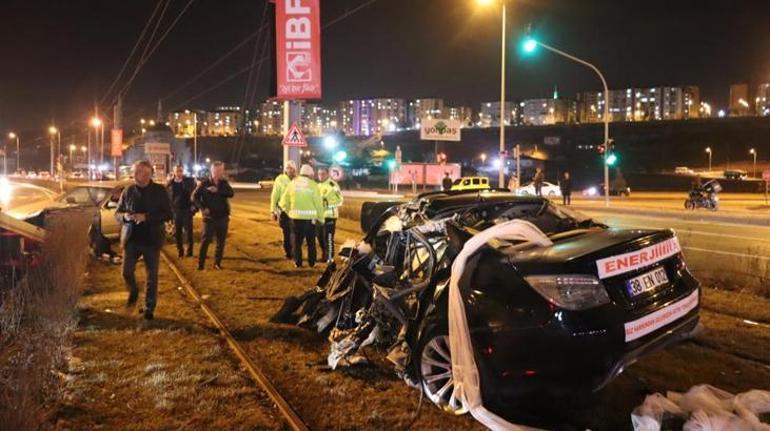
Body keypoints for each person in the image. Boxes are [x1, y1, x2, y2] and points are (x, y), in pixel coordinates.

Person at [115, 160, 172, 320]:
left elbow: (168, 213)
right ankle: (133, 291)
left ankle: (149, 307)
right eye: (137, 171)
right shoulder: (128, 191)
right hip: (131, 239)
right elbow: (118, 213)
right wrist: (125, 217)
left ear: (150, 174)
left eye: (144, 172)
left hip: (152, 240)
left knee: (152, 276)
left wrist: (146, 217)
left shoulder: (160, 191)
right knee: (126, 272)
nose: (139, 175)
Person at [279, 164, 323, 268]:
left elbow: (283, 203)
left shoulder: (292, 184)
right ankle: (312, 262)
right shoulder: (313, 185)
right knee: (311, 242)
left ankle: (298, 262)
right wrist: (321, 218)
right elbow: (318, 204)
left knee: (296, 242)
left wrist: (289, 212)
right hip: (310, 220)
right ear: (310, 174)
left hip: (296, 219)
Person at [193, 161, 234, 270]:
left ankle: (217, 263)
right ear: (212, 170)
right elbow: (194, 197)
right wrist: (203, 208)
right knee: (205, 241)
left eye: (221, 170)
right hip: (210, 218)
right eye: (217, 170)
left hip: (223, 217)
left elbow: (231, 193)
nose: (219, 172)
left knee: (221, 242)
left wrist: (218, 190)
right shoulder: (204, 183)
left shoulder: (224, 183)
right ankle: (201, 264)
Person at [166, 164, 196, 258]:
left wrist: (194, 206)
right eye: (177, 171)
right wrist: (169, 210)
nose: (179, 173)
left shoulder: (189, 181)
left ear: (183, 171)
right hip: (176, 211)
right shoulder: (170, 183)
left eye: (181, 171)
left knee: (189, 232)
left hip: (187, 210)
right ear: (174, 172)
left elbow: (194, 194)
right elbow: (167, 197)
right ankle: (180, 251)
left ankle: (189, 252)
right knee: (178, 232)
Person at [270, 161, 297, 260]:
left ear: (295, 170)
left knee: (294, 233)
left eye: (292, 168)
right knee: (286, 232)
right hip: (284, 211)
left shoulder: (298, 180)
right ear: (285, 169)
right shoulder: (280, 179)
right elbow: (275, 195)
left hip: (296, 211)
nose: (290, 170)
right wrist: (273, 210)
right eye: (288, 168)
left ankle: (294, 251)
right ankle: (288, 252)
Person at [316, 167, 343, 263]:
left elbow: (340, 200)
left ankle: (330, 258)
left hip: (330, 217)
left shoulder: (333, 185)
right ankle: (324, 255)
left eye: (323, 174)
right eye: (319, 174)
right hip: (319, 217)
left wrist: (328, 204)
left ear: (327, 174)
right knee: (320, 237)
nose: (321, 176)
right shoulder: (317, 186)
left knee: (328, 238)